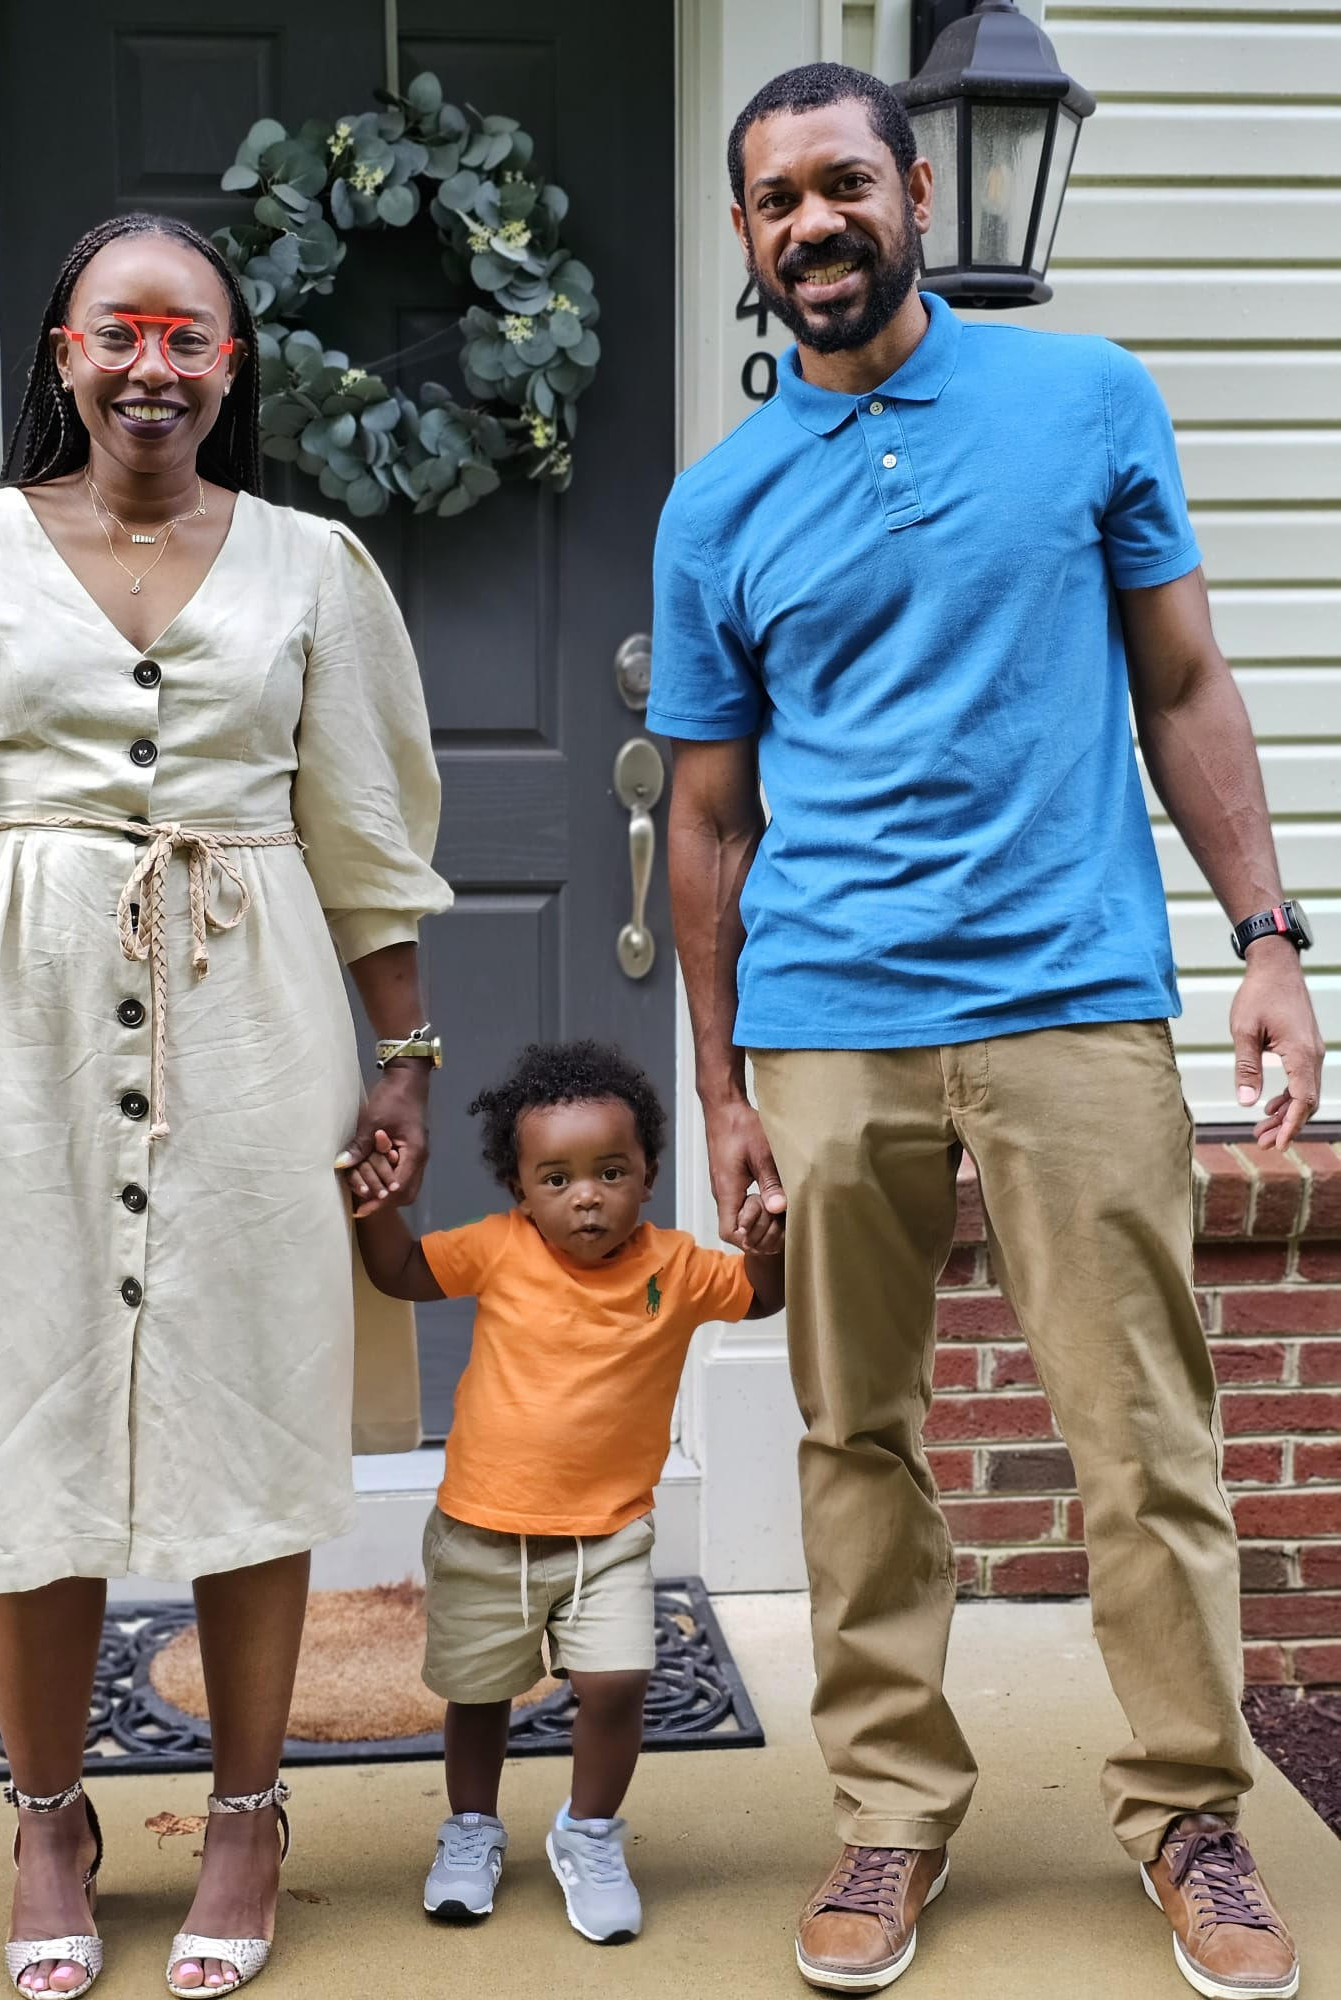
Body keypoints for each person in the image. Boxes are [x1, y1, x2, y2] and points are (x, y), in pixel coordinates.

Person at [650, 61, 1320, 2000]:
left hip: (1074, 1003)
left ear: (917, 193)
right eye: (776, 199)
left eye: (842, 182)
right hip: (829, 1026)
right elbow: (704, 814)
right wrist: (720, 1088)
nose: (813, 222)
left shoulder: (1085, 400)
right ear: (746, 237)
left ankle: (1189, 1810)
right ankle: (889, 1810)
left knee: (1145, 1440)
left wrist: (1269, 942)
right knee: (856, 1435)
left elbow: (1184, 681)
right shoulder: (720, 504)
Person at [0, 210, 452, 1998]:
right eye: (119, 332)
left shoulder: (315, 566)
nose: (152, 366)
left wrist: (405, 1056)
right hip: (13, 1027)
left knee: (253, 1408)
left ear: (229, 366)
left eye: (189, 336)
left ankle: (248, 1811)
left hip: (253, 1023)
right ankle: (48, 1816)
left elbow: (365, 832)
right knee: (20, 1409)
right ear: (65, 353)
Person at [350, 1039, 784, 1943]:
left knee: (617, 1681)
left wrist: (768, 1247)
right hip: (483, 1529)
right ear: (520, 1190)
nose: (586, 1196)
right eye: (557, 1179)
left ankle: (588, 1832)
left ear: (649, 1176)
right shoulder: (497, 1249)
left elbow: (760, 1298)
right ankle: (472, 1829)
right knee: (479, 1694)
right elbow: (399, 1273)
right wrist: (377, 1209)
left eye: (610, 1172)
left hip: (609, 1535)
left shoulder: (676, 1267)